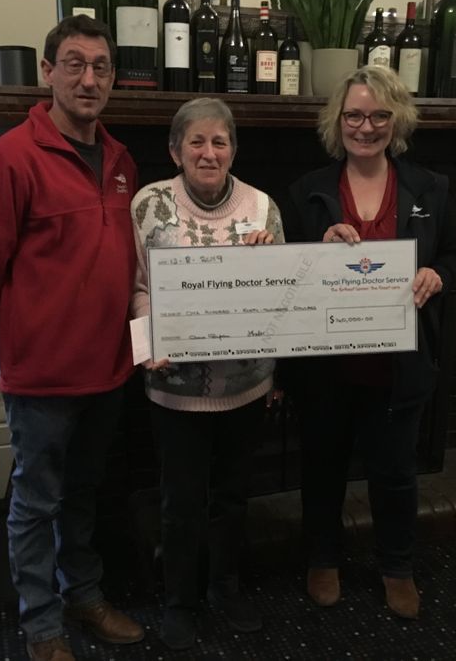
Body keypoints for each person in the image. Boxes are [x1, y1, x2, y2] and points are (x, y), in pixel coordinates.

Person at [0, 15, 144, 661]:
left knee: (83, 496)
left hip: (109, 370)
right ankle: (42, 626)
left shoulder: (119, 160)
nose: (89, 78)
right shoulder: (7, 160)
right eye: (76, 63)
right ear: (48, 73)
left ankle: (84, 595)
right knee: (35, 504)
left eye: (101, 66)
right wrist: (12, 345)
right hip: (42, 380)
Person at [282, 66, 456, 620]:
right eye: (355, 115)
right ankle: (322, 559)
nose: (367, 127)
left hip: (398, 365)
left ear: (398, 120)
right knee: (322, 469)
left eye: (380, 115)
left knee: (394, 474)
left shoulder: (431, 188)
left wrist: (439, 275)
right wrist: (319, 245)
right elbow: (285, 271)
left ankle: (397, 567)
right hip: (325, 366)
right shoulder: (307, 190)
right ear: (337, 121)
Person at [130, 97, 283, 650]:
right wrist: (147, 345)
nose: (208, 152)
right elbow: (137, 286)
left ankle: (226, 585)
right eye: (196, 141)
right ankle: (180, 600)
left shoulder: (263, 208)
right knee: (180, 502)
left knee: (233, 497)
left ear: (234, 150)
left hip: (246, 386)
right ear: (175, 150)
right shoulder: (149, 205)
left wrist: (270, 262)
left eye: (220, 141)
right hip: (174, 389)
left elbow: (284, 296)